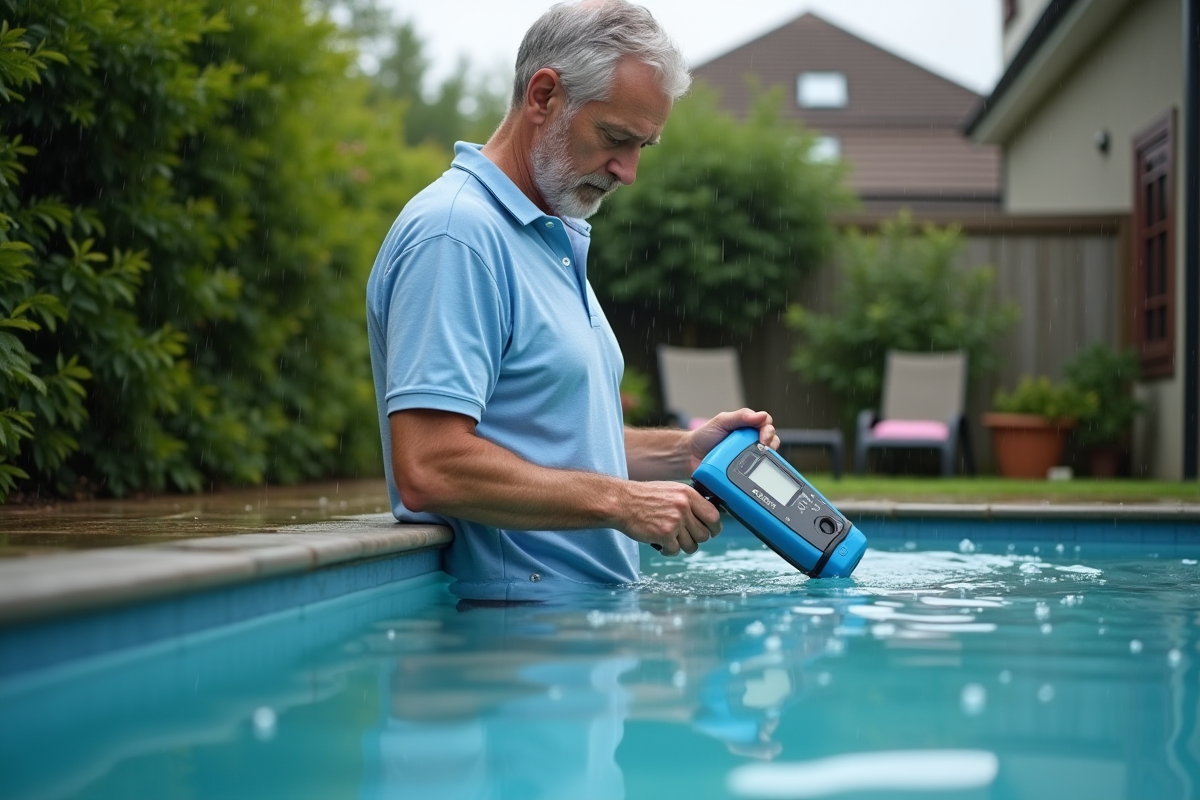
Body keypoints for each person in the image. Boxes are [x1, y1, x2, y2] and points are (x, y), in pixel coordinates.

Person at [366, 0, 778, 601]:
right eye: (614, 137)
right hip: (518, 637)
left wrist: (682, 451)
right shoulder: (457, 234)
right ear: (543, 96)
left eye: (644, 147)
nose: (629, 171)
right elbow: (430, 465)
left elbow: (553, 440)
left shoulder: (542, 235)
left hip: (574, 633)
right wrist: (621, 501)